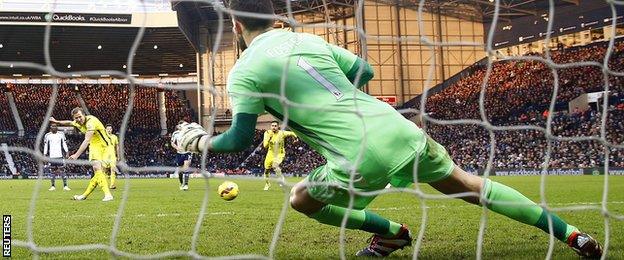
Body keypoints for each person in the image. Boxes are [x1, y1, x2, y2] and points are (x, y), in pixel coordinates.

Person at [174, 0, 602, 257]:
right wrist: (340, 98)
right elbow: (365, 68)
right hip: (395, 127)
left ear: (235, 26)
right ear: (274, 17)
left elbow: (238, 140)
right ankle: (571, 235)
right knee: (467, 184)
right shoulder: (308, 40)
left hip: (357, 155)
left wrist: (198, 141)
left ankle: (392, 234)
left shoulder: (244, 69)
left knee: (301, 198)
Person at [49, 107, 114, 202]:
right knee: (97, 170)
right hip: (94, 146)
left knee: (98, 172)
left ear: (84, 115)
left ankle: (105, 195)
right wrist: (57, 121)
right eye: (76, 118)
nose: (78, 119)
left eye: (80, 117)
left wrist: (76, 155)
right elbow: (69, 122)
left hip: (105, 146)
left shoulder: (91, 122)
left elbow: (87, 140)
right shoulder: (77, 122)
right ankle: (86, 196)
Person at [262, 121, 297, 190]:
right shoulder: (267, 133)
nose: (274, 127)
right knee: (266, 171)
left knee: (275, 166)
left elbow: (292, 133)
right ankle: (267, 184)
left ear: (278, 127)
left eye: (275, 126)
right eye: (272, 126)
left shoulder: (282, 133)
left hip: (279, 154)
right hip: (270, 154)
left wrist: (295, 138)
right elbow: (265, 146)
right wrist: (269, 138)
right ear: (270, 126)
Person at [43, 123, 70, 191]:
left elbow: (64, 144)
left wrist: (67, 152)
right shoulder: (47, 135)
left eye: (55, 126)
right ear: (50, 127)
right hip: (52, 157)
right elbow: (46, 146)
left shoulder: (61, 134)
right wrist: (44, 154)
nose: (54, 127)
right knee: (52, 172)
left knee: (62, 171)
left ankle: (65, 186)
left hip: (60, 156)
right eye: (52, 126)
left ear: (57, 127)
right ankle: (53, 186)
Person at [170, 121, 192, 191]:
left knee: (186, 167)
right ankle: (182, 183)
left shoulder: (189, 133)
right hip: (179, 153)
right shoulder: (175, 133)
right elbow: (172, 143)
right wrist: (177, 148)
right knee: (180, 170)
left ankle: (186, 185)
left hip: (187, 152)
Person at [106, 124, 120, 189]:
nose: (109, 130)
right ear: (105, 130)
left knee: (113, 170)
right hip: (104, 156)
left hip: (112, 156)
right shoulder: (103, 137)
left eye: (110, 129)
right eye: (108, 129)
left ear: (112, 130)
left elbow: (117, 147)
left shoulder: (115, 137)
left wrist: (118, 156)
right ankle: (103, 184)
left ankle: (112, 185)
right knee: (103, 171)